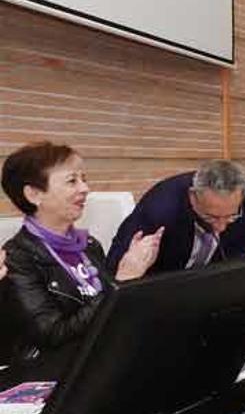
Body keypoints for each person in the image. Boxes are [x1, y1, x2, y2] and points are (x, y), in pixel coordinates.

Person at [1, 142, 162, 367]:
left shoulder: (89, 245)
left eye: (83, 179)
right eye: (72, 181)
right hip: (61, 374)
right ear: (34, 194)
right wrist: (122, 281)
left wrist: (133, 274)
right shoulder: (18, 258)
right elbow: (53, 335)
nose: (84, 188)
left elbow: (114, 316)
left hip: (108, 359)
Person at [107, 159, 245, 274]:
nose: (221, 227)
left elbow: (239, 249)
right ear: (192, 196)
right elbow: (117, 269)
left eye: (230, 216)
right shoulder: (159, 210)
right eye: (211, 217)